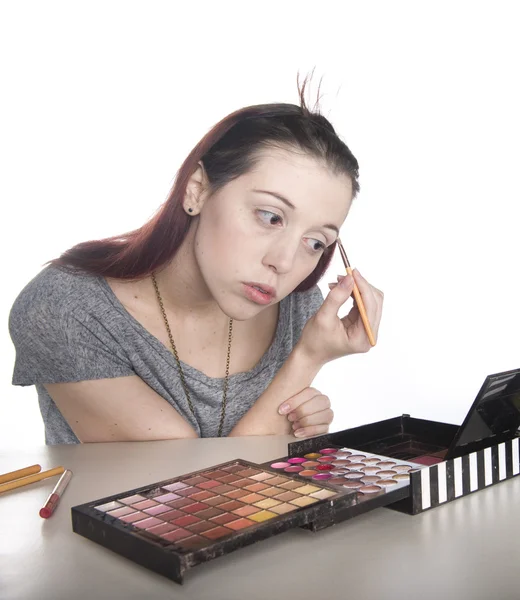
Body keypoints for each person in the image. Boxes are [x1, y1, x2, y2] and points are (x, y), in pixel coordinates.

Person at [9, 78, 384, 444]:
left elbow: (260, 495)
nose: (284, 262)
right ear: (198, 189)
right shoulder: (65, 308)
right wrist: (306, 361)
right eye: (270, 217)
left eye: (315, 242)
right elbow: (182, 488)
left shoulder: (297, 308)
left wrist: (301, 426)